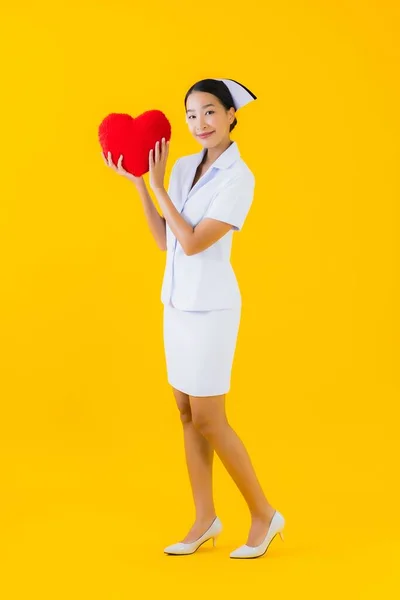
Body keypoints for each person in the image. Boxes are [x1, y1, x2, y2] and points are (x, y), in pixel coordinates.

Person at [102, 78, 285, 559]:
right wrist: (142, 183)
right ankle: (205, 519)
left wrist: (158, 185)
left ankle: (264, 514)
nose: (198, 123)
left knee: (209, 418)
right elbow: (164, 240)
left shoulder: (238, 177)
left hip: (211, 311)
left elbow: (194, 241)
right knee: (185, 414)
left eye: (209, 112)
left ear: (230, 116)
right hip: (177, 305)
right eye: (190, 114)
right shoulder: (180, 168)